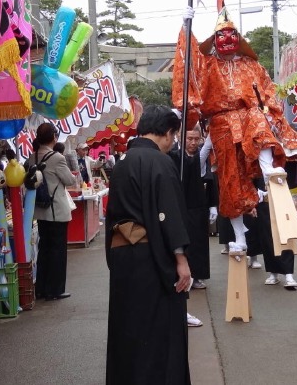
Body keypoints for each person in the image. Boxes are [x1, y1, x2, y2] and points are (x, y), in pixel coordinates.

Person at [173, 0, 297, 252]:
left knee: (258, 117)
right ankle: (240, 236)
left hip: (249, 119)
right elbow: (189, 64)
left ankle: (269, 169)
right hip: (222, 125)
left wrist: (269, 113)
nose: (226, 38)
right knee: (229, 179)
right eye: (221, 35)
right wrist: (186, 25)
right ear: (214, 40)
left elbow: (268, 94)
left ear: (238, 37)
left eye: (231, 34)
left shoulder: (252, 65)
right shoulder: (209, 64)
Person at [105, 105, 192, 385]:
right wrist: (181, 260)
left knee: (128, 328)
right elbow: (170, 215)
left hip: (123, 258)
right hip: (151, 260)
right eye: (174, 137)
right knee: (158, 331)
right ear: (167, 134)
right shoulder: (160, 163)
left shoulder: (121, 164)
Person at [25, 123, 75, 300]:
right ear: (54, 137)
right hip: (56, 210)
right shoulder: (57, 158)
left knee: (44, 249)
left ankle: (42, 288)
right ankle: (55, 289)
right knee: (57, 251)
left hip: (40, 210)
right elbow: (69, 180)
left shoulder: (33, 157)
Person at [168, 125, 217, 291]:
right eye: (190, 139)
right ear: (181, 137)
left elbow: (211, 182)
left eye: (197, 139)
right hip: (179, 204)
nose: (193, 143)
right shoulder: (173, 155)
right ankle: (181, 275)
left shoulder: (203, 157)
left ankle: (197, 276)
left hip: (199, 205)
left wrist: (212, 205)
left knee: (199, 242)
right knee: (182, 241)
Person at [247, 177, 297, 288]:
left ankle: (289, 274)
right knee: (267, 238)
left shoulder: (279, 160)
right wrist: (251, 203)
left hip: (282, 200)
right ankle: (273, 272)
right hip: (263, 201)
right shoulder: (256, 162)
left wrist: (292, 196)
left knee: (286, 236)